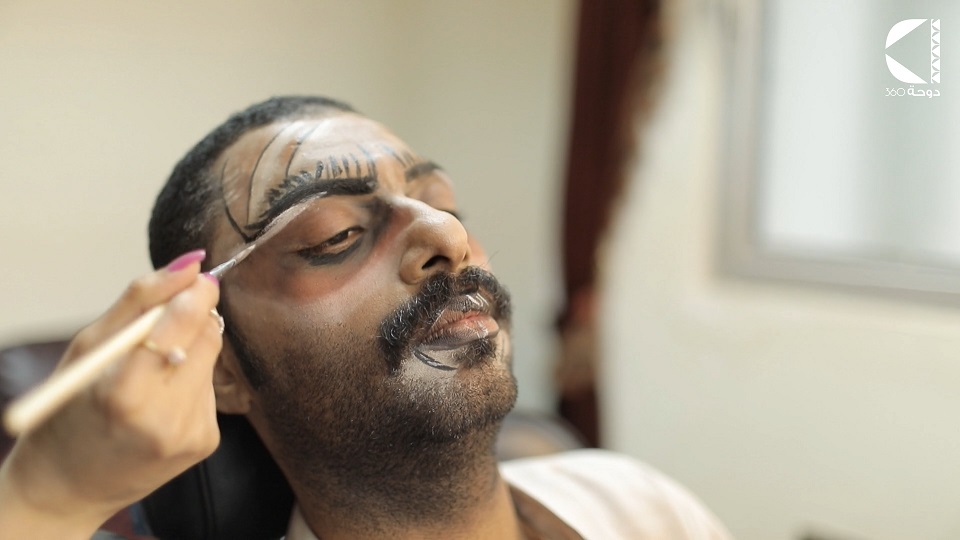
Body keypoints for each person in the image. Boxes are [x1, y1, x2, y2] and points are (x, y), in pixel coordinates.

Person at [0, 96, 730, 539]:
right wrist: (45, 495)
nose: (448, 237)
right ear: (225, 368)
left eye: (442, 203)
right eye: (335, 235)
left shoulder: (638, 506)